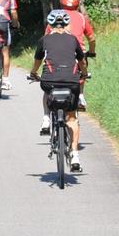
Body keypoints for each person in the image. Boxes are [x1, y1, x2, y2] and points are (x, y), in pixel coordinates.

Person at [29, 9, 87, 171]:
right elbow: (81, 62)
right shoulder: (73, 40)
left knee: (47, 92)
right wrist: (84, 74)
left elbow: (37, 61)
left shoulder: (44, 40)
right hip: (71, 83)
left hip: (49, 82)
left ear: (50, 25)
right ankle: (75, 156)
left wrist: (33, 73)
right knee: (72, 119)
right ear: (67, 24)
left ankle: (46, 118)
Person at [55, 0, 96, 110]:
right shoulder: (81, 17)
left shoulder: (56, 16)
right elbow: (91, 38)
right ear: (77, 4)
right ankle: (81, 95)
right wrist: (92, 52)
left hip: (58, 52)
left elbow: (47, 36)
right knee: (82, 72)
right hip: (78, 53)